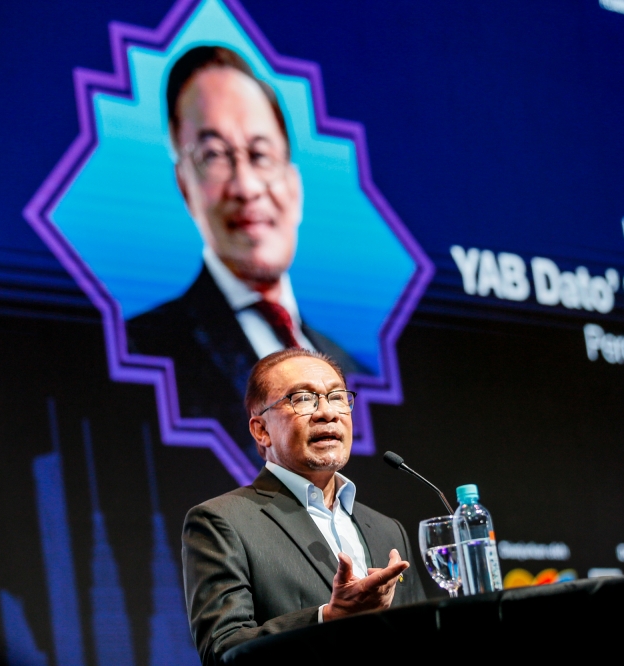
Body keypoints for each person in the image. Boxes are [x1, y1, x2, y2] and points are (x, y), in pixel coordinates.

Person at [127, 46, 361, 461]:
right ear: (185, 186)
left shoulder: (352, 368)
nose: (246, 186)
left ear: (294, 184)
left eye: (260, 155)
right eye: (214, 156)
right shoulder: (142, 352)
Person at [181, 348, 425, 665]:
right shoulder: (221, 521)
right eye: (303, 399)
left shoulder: (387, 530)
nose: (328, 413)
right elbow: (223, 650)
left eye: (337, 397)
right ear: (261, 430)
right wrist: (327, 617)